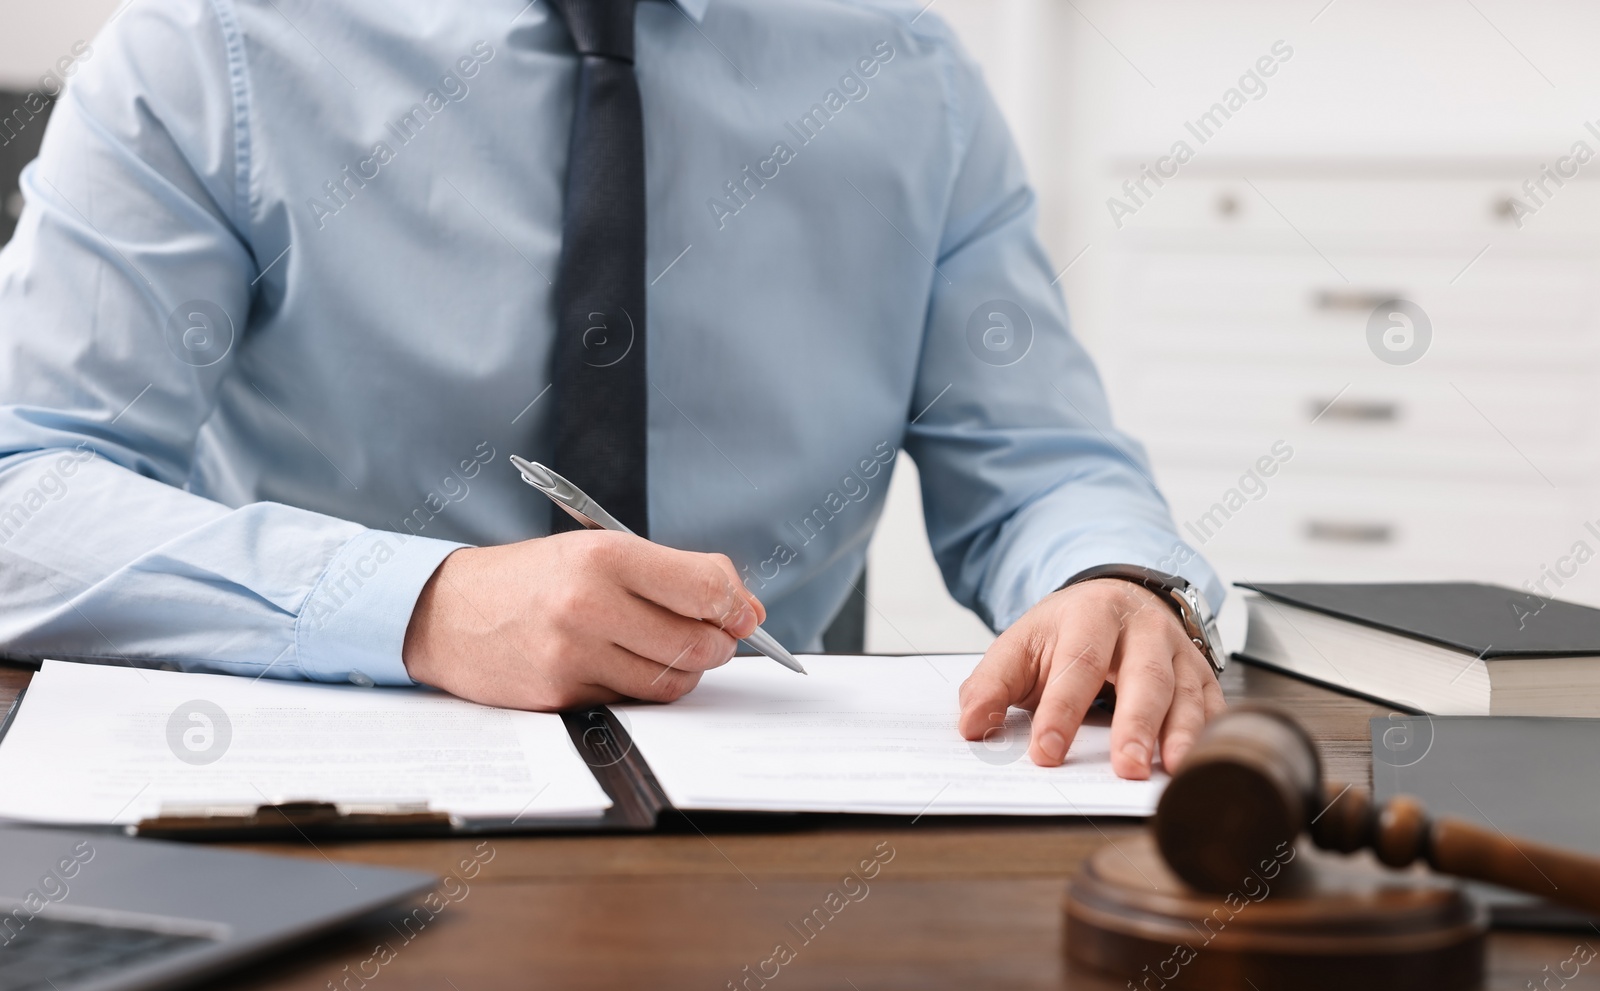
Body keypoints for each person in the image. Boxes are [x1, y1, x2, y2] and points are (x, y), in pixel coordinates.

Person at [0, 0, 1225, 779]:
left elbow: (1041, 463)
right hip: (310, 806)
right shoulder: (206, 49)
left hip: (773, 823)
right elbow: (20, 497)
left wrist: (1110, 578)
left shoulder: (908, 70)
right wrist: (420, 606)